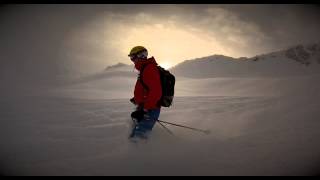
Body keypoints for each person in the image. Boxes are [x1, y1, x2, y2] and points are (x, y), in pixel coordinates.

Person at [128, 46, 162, 140]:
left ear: (140, 56)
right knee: (135, 134)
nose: (132, 60)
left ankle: (140, 153)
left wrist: (145, 109)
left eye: (133, 57)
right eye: (131, 58)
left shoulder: (149, 68)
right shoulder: (144, 69)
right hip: (145, 107)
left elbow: (156, 91)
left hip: (150, 109)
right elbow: (145, 88)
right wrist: (137, 99)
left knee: (138, 138)